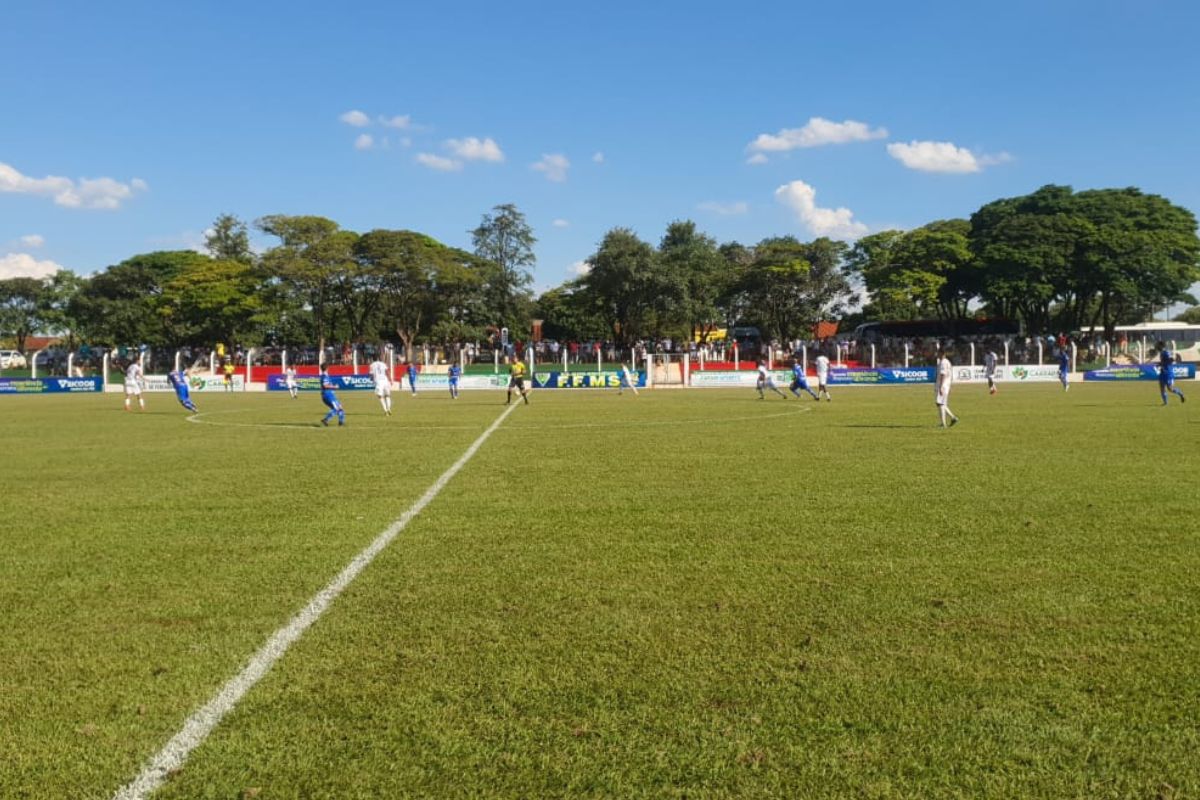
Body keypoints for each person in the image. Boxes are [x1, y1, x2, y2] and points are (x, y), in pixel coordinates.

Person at [1156, 341, 1187, 405]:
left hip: (1168, 373)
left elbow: (1171, 359)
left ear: (1161, 346)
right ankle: (1165, 403)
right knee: (1162, 388)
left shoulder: (1166, 353)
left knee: (1170, 389)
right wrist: (1159, 364)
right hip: (1162, 372)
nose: (1157, 347)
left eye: (1157, 346)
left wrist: (1174, 359)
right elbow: (1164, 362)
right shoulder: (1161, 353)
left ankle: (1181, 394)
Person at [935, 351, 959, 428]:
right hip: (946, 385)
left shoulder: (943, 363)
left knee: (940, 404)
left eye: (938, 353)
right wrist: (950, 386)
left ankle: (943, 424)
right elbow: (950, 375)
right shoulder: (948, 362)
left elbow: (943, 374)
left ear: (942, 354)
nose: (937, 355)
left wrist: (941, 386)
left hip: (943, 385)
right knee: (940, 403)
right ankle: (953, 418)